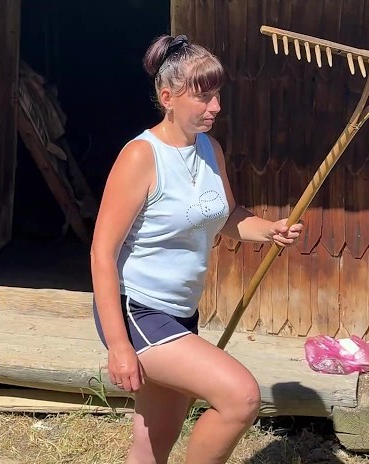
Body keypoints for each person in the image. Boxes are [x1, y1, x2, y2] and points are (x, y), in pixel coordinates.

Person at [90, 34, 303, 464]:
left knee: (153, 445)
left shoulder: (210, 150)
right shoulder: (141, 157)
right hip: (138, 312)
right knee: (241, 397)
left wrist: (269, 230)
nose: (216, 107)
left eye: (217, 94)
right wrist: (118, 344)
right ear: (167, 98)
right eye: (203, 96)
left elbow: (226, 214)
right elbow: (101, 253)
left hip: (180, 311)